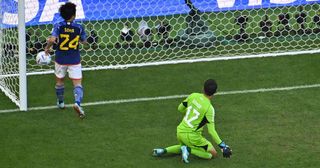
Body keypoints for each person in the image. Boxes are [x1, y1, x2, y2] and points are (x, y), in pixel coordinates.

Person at [153, 79, 232, 163]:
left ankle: (163, 151)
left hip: (180, 131)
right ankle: (188, 149)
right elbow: (211, 131)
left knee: (182, 146)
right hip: (192, 137)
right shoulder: (209, 109)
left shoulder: (193, 95)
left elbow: (180, 108)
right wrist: (223, 146)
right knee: (212, 154)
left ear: (203, 88)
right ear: (215, 92)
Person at [44, 2, 87, 119]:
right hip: (74, 60)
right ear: (73, 15)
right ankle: (77, 103)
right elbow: (84, 41)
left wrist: (47, 48)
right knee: (77, 84)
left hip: (60, 59)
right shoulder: (79, 27)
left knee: (59, 82)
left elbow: (52, 39)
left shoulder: (58, 25)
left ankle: (61, 102)